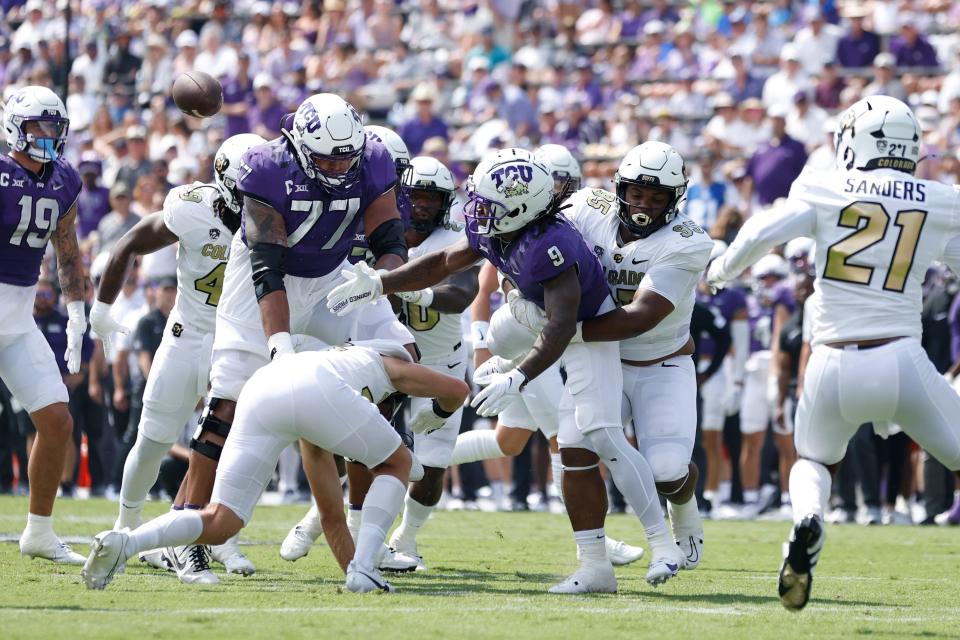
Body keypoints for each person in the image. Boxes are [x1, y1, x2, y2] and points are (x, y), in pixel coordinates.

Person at [328, 149, 683, 593]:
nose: (475, 209)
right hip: (531, 317)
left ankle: (662, 542)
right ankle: (596, 564)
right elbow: (443, 263)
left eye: (486, 202)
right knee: (494, 342)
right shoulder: (503, 224)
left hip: (584, 332)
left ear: (517, 207)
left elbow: (561, 328)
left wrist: (520, 377)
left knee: (599, 436)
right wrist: (382, 282)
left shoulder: (549, 245)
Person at [707, 95, 960, 611]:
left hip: (831, 360)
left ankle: (808, 520)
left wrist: (722, 272)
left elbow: (761, 229)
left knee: (814, 460)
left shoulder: (824, 185)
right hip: (902, 359)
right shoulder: (938, 198)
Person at [177, 94, 414, 583]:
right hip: (258, 285)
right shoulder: (265, 167)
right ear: (300, 146)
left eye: (345, 155)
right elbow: (268, 265)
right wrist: (279, 342)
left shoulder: (371, 158)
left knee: (356, 388)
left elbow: (389, 239)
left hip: (332, 279)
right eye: (326, 156)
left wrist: (380, 279)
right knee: (227, 407)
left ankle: (351, 536)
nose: (338, 165)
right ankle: (186, 533)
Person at [82, 341, 470, 594]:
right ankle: (369, 566)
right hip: (312, 386)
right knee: (398, 462)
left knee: (221, 521)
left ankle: (126, 543)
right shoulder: (384, 362)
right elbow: (457, 390)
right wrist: (435, 416)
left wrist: (352, 570)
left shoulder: (334, 387)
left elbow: (333, 518)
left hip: (264, 387)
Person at [513, 141, 714, 568]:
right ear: (620, 188)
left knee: (667, 471)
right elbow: (530, 238)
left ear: (675, 199)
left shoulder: (688, 241)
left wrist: (560, 330)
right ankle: (593, 560)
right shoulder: (587, 206)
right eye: (637, 193)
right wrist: (512, 286)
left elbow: (640, 317)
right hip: (601, 359)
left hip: (662, 362)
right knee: (574, 450)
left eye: (658, 197)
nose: (645, 205)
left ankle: (684, 505)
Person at [449, 145, 645, 566]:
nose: (557, 190)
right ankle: (592, 541)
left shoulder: (560, 225)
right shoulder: (512, 225)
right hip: (526, 344)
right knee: (563, 438)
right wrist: (485, 347)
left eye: (563, 183)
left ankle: (414, 457)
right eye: (550, 180)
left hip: (544, 342)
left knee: (509, 440)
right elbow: (488, 287)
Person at [281, 156, 479, 572]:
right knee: (354, 445)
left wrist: (417, 293)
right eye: (417, 196)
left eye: (432, 199)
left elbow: (462, 292)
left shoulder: (452, 237)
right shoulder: (374, 234)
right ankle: (322, 521)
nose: (423, 206)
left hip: (440, 359)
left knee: (431, 468)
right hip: (387, 352)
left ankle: (405, 539)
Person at [89, 134, 265, 583]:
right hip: (190, 334)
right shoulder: (192, 206)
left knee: (231, 446)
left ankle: (214, 540)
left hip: (242, 340)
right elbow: (129, 242)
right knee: (152, 439)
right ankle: (125, 531)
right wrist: (103, 308)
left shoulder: (275, 213)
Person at [1, 86, 87, 564]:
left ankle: (38, 531)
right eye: (39, 126)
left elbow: (68, 250)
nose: (49, 135)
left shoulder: (64, 180)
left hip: (16, 321)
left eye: (55, 126)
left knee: (56, 421)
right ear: (16, 127)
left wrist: (76, 310)